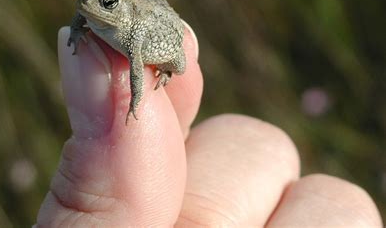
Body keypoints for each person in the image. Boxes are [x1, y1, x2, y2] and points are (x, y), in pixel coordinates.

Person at [34, 26, 383, 227]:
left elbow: (137, 65)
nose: (91, 6)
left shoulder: (130, 33)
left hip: (155, 29)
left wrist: (134, 101)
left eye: (106, 3)